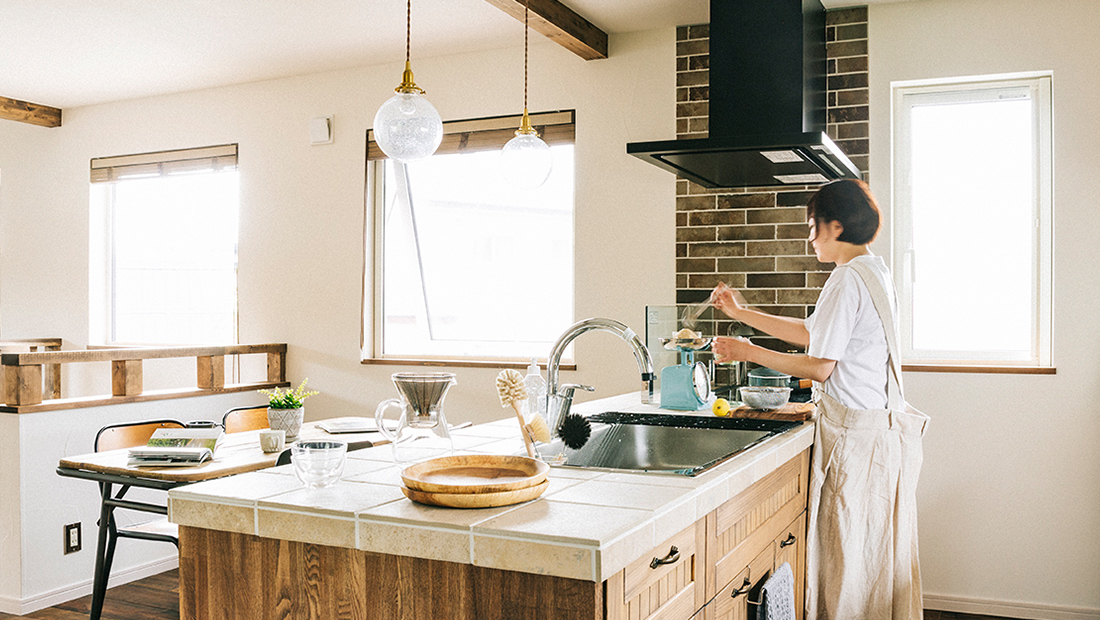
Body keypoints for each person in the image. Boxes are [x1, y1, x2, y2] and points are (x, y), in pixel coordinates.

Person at [710, 179, 928, 620]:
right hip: (876, 434)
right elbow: (816, 333)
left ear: (836, 225)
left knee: (845, 561)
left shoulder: (847, 278)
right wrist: (741, 314)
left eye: (813, 227)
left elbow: (818, 366)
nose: (809, 237)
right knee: (870, 560)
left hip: (854, 440)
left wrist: (744, 350)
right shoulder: (873, 271)